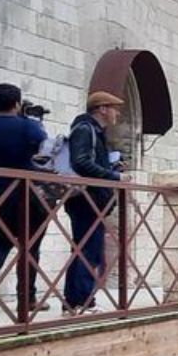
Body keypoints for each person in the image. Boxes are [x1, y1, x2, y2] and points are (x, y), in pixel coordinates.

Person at [0, 83, 51, 317]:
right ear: (17, 103)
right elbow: (45, 150)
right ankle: (27, 299)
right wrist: (32, 121)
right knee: (31, 245)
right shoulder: (28, 126)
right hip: (28, 195)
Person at [63, 91, 126, 314]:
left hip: (89, 198)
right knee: (88, 250)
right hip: (85, 199)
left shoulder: (93, 131)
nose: (117, 113)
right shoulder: (85, 129)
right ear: (102, 109)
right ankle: (82, 302)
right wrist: (114, 177)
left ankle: (72, 302)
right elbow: (80, 162)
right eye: (114, 108)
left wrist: (112, 168)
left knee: (85, 248)